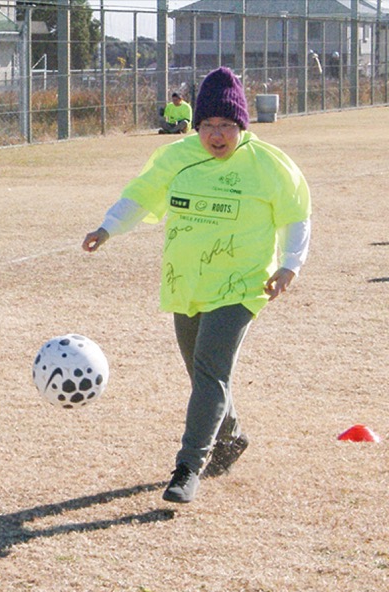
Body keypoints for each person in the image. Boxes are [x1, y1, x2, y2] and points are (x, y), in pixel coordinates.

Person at [81, 67, 311, 504]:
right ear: (197, 124)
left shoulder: (269, 164)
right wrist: (108, 227)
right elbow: (143, 194)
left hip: (241, 286)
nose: (217, 135)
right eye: (208, 125)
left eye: (227, 126)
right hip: (185, 282)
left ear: (241, 126)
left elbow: (297, 213)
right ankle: (233, 434)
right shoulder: (177, 157)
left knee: (209, 368)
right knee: (202, 373)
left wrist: (290, 264)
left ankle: (188, 466)